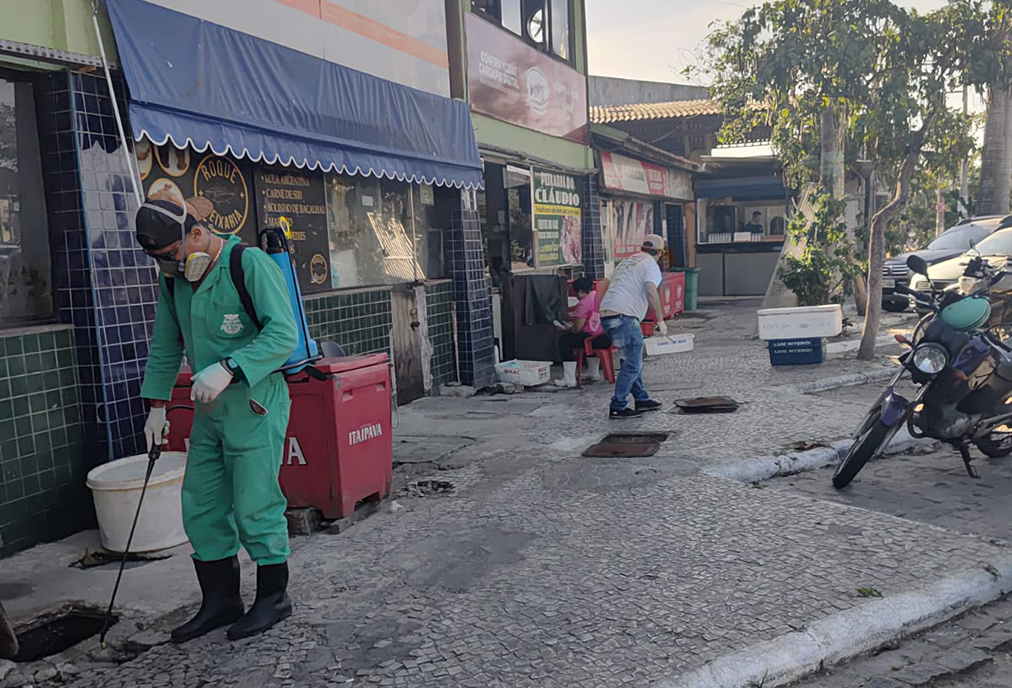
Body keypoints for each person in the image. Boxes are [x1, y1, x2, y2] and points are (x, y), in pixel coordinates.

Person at [136, 194, 299, 643]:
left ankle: (273, 598)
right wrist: (156, 407)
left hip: (254, 404)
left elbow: (284, 333)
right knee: (202, 505)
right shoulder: (174, 281)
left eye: (171, 255)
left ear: (195, 233)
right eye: (158, 259)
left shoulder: (247, 264)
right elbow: (166, 344)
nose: (168, 265)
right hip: (208, 413)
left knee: (255, 504)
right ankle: (222, 601)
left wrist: (230, 367)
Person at [597, 235, 667, 419]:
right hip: (624, 317)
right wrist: (660, 320)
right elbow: (651, 291)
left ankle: (641, 398)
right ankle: (618, 406)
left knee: (631, 360)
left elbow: (602, 286)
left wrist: (599, 311)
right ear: (659, 252)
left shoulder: (627, 261)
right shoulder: (651, 265)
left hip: (608, 316)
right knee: (632, 364)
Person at [553, 276, 612, 387]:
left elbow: (577, 329)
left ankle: (569, 378)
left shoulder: (584, 303)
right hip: (605, 336)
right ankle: (593, 372)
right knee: (582, 337)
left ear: (580, 291)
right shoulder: (597, 296)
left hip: (593, 339)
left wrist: (567, 328)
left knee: (564, 341)